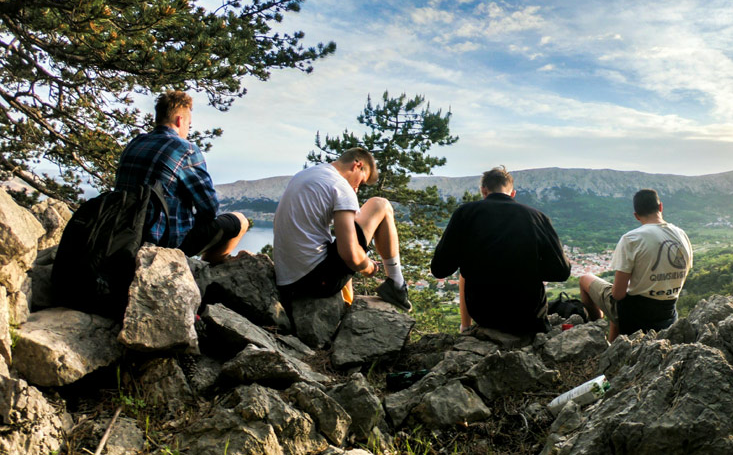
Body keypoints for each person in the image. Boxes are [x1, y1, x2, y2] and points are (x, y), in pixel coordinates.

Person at [430, 166, 571, 333]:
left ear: (483, 190)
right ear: (513, 193)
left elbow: (439, 269)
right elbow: (561, 272)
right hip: (529, 316)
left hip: (485, 315)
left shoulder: (465, 214)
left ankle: (465, 326)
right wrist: (528, 268)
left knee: (464, 274)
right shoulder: (538, 217)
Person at [115, 91, 248, 263]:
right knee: (240, 221)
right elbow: (209, 208)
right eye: (189, 125)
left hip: (124, 237)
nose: (188, 130)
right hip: (164, 242)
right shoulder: (185, 149)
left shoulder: (135, 143)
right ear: (180, 120)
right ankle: (207, 270)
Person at [273, 148, 412, 311]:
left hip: (286, 282)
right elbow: (350, 255)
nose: (357, 189)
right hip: (314, 282)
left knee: (344, 238)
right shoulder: (340, 186)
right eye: (361, 181)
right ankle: (396, 284)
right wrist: (368, 267)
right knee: (380, 205)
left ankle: (347, 300)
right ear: (357, 165)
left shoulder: (306, 174)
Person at [579, 188, 693, 342]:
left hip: (635, 315)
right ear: (660, 207)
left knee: (585, 278)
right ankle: (613, 345)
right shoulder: (681, 234)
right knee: (622, 300)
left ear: (636, 215)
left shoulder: (632, 238)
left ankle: (595, 334)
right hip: (668, 314)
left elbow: (618, 295)